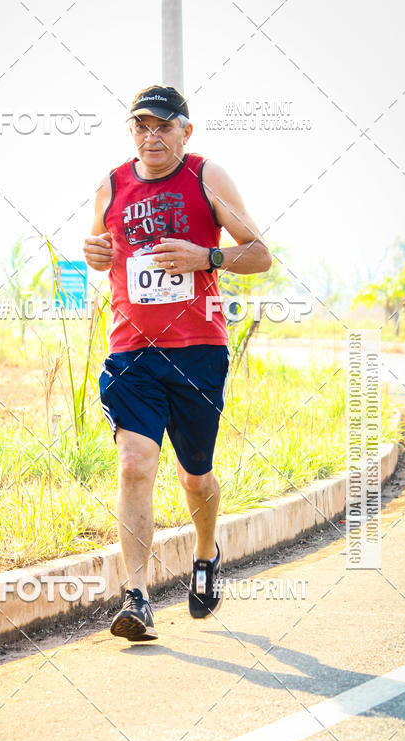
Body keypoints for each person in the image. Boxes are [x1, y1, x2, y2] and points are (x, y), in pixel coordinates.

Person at [83, 85, 272, 642]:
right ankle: (137, 596)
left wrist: (206, 256)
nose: (151, 136)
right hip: (132, 352)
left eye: (164, 126)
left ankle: (207, 553)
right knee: (136, 463)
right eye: (141, 125)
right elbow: (99, 251)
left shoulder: (207, 177)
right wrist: (92, 252)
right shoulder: (111, 184)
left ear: (185, 132)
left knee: (195, 474)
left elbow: (259, 254)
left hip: (198, 350)